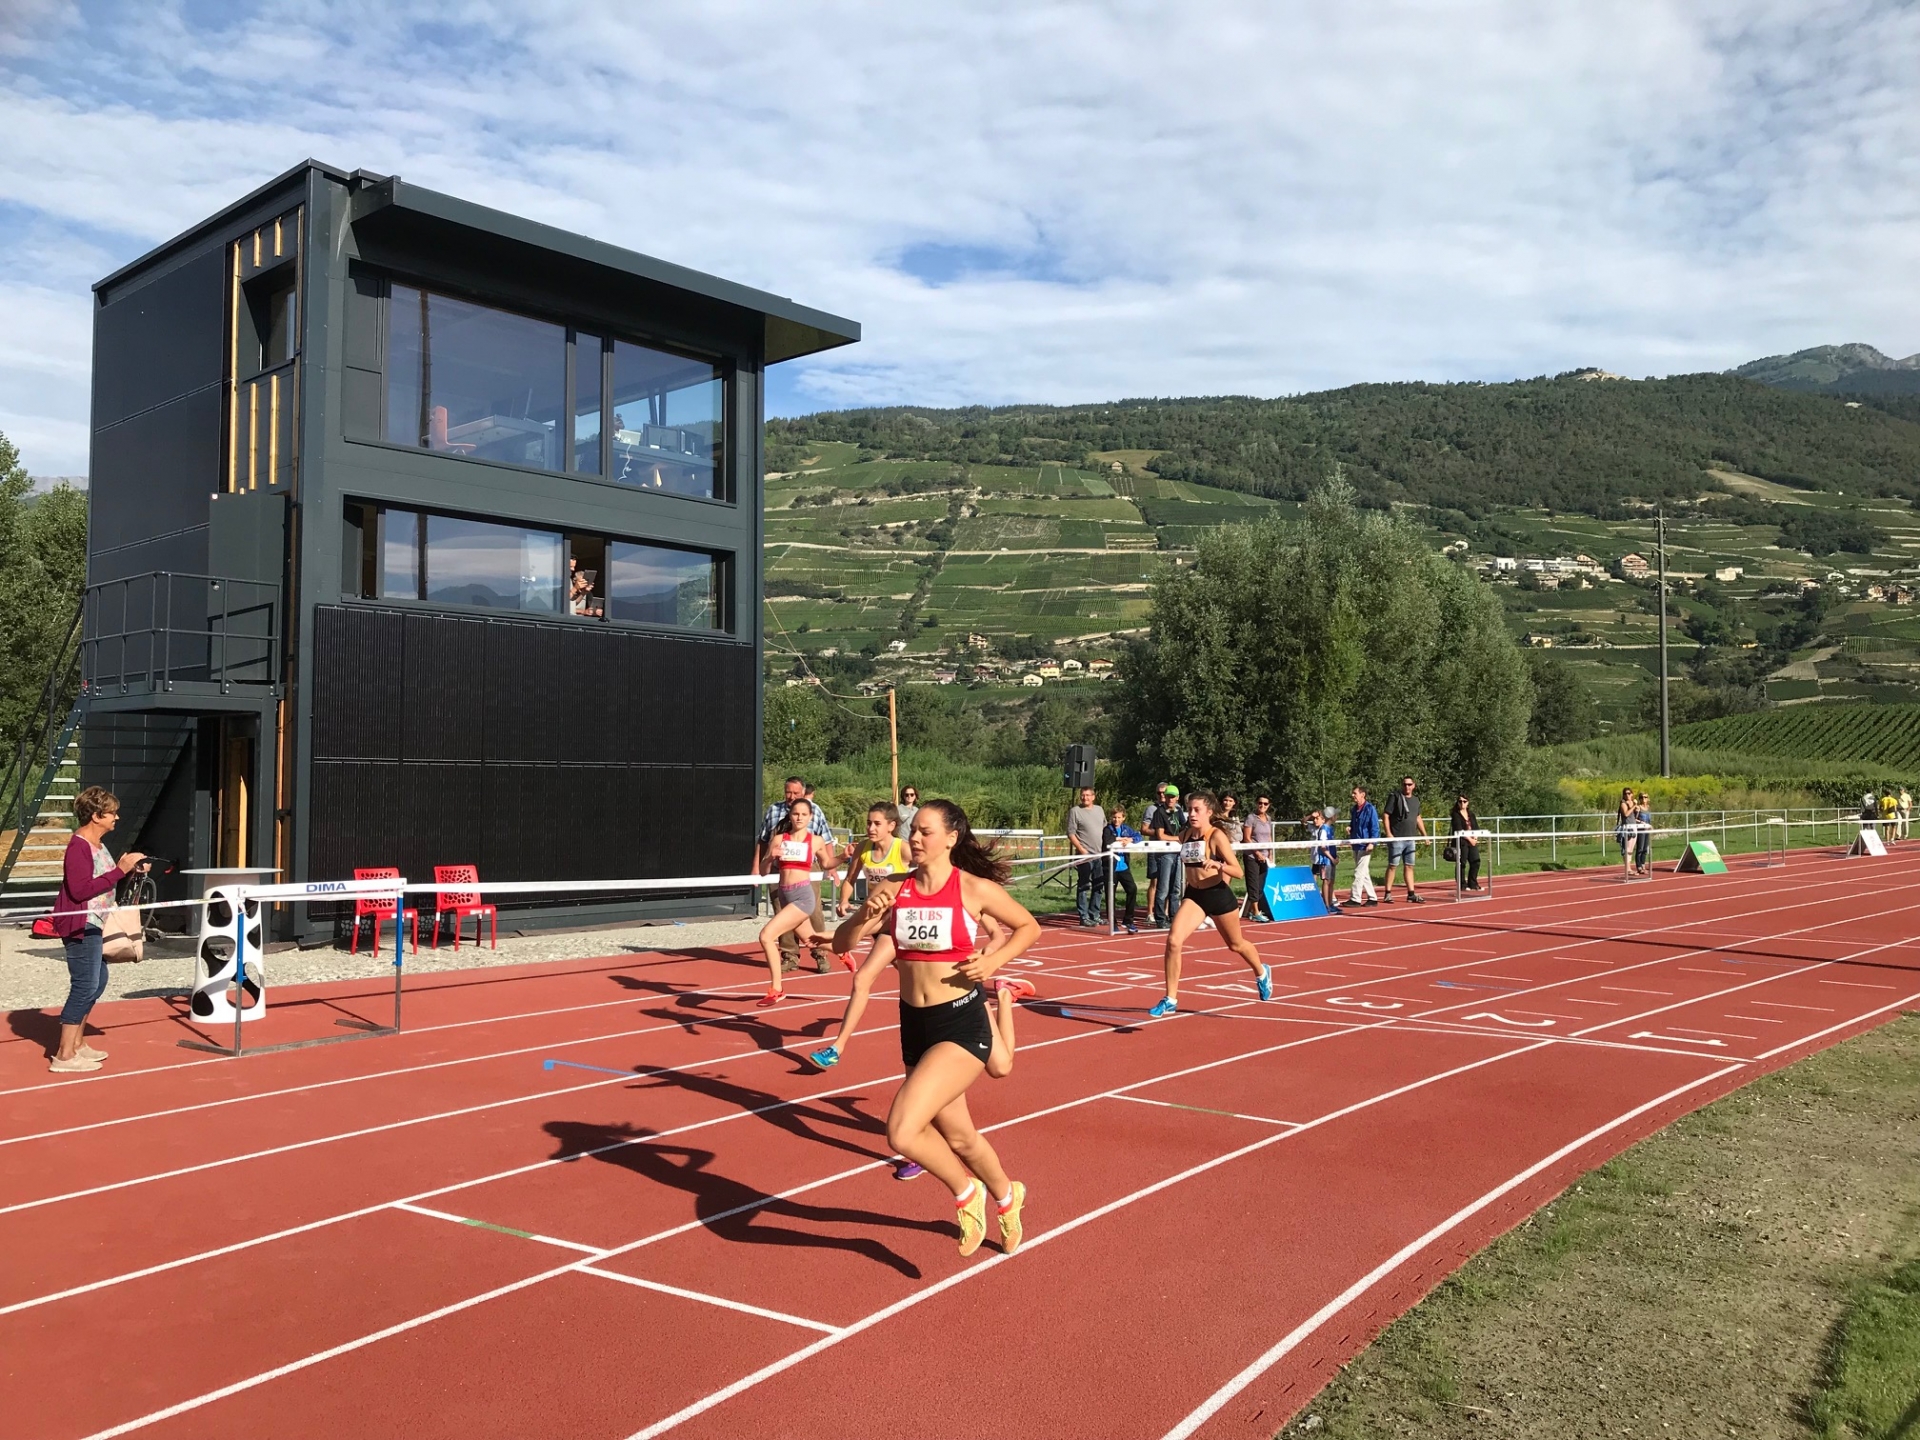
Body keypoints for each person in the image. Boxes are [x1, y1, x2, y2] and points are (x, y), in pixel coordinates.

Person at [868, 800, 1041, 1256]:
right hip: (915, 1023)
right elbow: (864, 936)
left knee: (903, 1131)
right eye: (913, 831)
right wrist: (851, 924)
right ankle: (1007, 1196)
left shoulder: (973, 888)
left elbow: (1027, 926)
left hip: (961, 1021)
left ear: (951, 837)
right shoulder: (898, 889)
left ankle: (967, 1194)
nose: (916, 839)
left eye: (926, 831)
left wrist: (993, 961)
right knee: (960, 1136)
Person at [49, 787, 146, 1074]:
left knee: (98, 980)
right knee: (84, 985)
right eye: (112, 812)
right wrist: (119, 870)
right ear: (96, 815)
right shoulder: (78, 846)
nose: (117, 817)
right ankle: (64, 1055)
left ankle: (77, 1043)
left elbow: (103, 880)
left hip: (96, 921)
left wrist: (129, 870)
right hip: (81, 923)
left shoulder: (98, 844)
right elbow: (80, 890)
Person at [1149, 791, 1271, 1017]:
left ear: (1209, 813)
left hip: (1218, 896)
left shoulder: (1216, 836)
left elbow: (1238, 871)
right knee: (1174, 940)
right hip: (1195, 896)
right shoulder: (1185, 834)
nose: (1192, 814)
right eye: (1190, 809)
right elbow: (1164, 837)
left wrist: (1217, 865)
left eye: (1197, 810)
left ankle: (1261, 971)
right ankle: (1170, 998)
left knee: (1235, 945)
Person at [754, 799, 837, 1006]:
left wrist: (844, 856)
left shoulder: (815, 840)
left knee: (766, 936)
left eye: (803, 814)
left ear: (810, 817)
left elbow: (827, 863)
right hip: (785, 895)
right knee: (811, 939)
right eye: (795, 814)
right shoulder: (779, 839)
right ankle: (842, 951)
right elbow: (764, 872)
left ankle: (776, 989)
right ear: (790, 815)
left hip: (802, 896)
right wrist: (769, 859)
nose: (799, 818)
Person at [837, 802, 910, 919]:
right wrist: (844, 901)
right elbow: (850, 879)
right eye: (869, 823)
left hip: (897, 911)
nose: (871, 828)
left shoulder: (903, 849)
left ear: (891, 826)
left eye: (877, 824)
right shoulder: (862, 848)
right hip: (872, 911)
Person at [1146, 783, 1186, 927]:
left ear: (1177, 798)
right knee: (1162, 888)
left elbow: (1184, 828)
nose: (1169, 799)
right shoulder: (1159, 812)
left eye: (1172, 797)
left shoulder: (1179, 811)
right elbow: (1161, 835)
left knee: (1175, 888)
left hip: (1177, 853)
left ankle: (1174, 916)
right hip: (1165, 853)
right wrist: (1178, 838)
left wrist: (1183, 836)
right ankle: (1160, 919)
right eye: (1168, 796)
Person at [1382, 774, 1426, 903]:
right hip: (1397, 838)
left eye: (1409, 784)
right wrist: (1389, 833)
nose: (1407, 787)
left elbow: (1418, 818)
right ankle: (1388, 893)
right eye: (1404, 784)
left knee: (1409, 866)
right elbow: (1386, 815)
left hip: (1410, 838)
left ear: (1414, 786)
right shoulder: (1395, 797)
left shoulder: (1416, 800)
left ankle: (1411, 893)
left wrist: (1425, 835)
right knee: (1392, 865)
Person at [1066, 785, 1106, 927]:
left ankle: (1094, 914)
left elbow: (1105, 829)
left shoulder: (1099, 810)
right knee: (1084, 884)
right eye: (1083, 795)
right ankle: (1083, 916)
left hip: (1099, 854)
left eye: (1088, 795)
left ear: (1093, 797)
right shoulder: (1075, 811)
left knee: (1099, 884)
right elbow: (1071, 833)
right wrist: (1081, 850)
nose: (1085, 797)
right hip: (1084, 855)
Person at [1102, 805, 1143, 932]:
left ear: (1123, 818)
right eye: (1114, 817)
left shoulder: (1126, 829)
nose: (1116, 820)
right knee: (1111, 894)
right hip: (1111, 867)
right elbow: (1107, 840)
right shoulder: (1107, 829)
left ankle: (1128, 920)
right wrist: (1120, 839)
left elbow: (1139, 837)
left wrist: (1130, 839)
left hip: (1123, 866)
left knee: (1132, 889)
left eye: (1119, 817)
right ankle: (1112, 922)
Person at [1241, 795, 1277, 922]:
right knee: (1253, 884)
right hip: (1251, 856)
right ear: (1256, 804)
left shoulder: (1268, 819)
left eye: (1265, 804)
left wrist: (1270, 853)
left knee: (1261, 884)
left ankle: (1252, 910)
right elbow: (1246, 838)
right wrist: (1257, 853)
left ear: (1269, 805)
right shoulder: (1251, 818)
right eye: (1260, 803)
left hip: (1264, 857)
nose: (1262, 806)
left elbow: (1269, 837)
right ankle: (1255, 911)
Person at [1348, 786, 1380, 906]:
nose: (1353, 795)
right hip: (1356, 844)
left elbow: (1375, 827)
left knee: (1359, 872)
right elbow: (1354, 825)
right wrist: (1350, 829)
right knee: (1364, 872)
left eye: (1355, 793)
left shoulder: (1370, 809)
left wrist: (1372, 842)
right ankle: (1372, 898)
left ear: (1363, 794)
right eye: (1353, 793)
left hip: (1365, 845)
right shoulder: (1354, 809)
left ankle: (1355, 898)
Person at [1310, 809, 1342, 912]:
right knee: (1326, 881)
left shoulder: (1330, 829)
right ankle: (1326, 905)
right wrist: (1331, 858)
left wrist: (1335, 857)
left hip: (1331, 859)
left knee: (1331, 881)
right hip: (1325, 860)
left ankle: (1330, 903)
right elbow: (1323, 847)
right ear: (1332, 816)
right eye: (1335, 815)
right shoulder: (1323, 829)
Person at [1449, 794, 1482, 890]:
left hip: (1472, 842)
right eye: (1460, 801)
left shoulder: (1471, 814)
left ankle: (1472, 883)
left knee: (1476, 861)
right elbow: (1459, 829)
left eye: (1464, 801)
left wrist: (1475, 838)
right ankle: (1462, 884)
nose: (1462, 803)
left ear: (1468, 803)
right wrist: (1470, 839)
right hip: (1462, 842)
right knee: (1461, 863)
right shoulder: (1456, 815)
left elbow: (1476, 828)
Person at [1615, 787, 1638, 871]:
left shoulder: (1632, 802)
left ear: (1632, 794)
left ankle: (1629, 867)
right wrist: (1634, 806)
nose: (1627, 795)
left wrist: (1637, 810)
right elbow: (1626, 814)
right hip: (1627, 828)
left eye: (1629, 793)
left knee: (1631, 849)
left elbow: (1634, 816)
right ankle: (1627, 868)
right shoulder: (1623, 803)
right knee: (1627, 848)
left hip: (1633, 826)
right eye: (1625, 793)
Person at [1633, 791, 1653, 874]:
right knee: (1640, 848)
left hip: (1647, 830)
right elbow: (1634, 819)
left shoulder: (1648, 808)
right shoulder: (1638, 808)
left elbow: (1649, 819)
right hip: (1640, 830)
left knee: (1645, 848)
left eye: (1645, 797)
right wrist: (1641, 823)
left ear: (1648, 798)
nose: (1643, 799)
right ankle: (1639, 866)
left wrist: (1650, 826)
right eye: (1641, 797)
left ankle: (1643, 864)